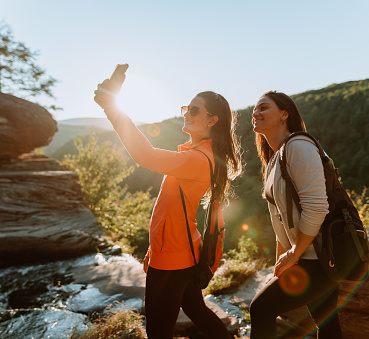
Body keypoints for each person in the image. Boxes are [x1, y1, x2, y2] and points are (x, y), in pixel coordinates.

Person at [94, 70, 242, 339]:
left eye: (194, 109)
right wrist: (154, 249)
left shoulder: (198, 160)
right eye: (186, 107)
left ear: (212, 120)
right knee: (197, 310)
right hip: (180, 251)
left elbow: (144, 154)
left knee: (158, 332)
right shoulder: (199, 155)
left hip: (174, 256)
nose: (186, 113)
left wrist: (111, 107)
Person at [249, 91, 343, 339]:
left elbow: (317, 207)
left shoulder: (299, 146)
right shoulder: (274, 160)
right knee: (327, 323)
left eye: (263, 107)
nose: (255, 112)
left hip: (319, 259)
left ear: (284, 114)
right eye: (254, 109)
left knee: (260, 309)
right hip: (307, 256)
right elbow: (281, 219)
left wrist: (294, 254)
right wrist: (281, 263)